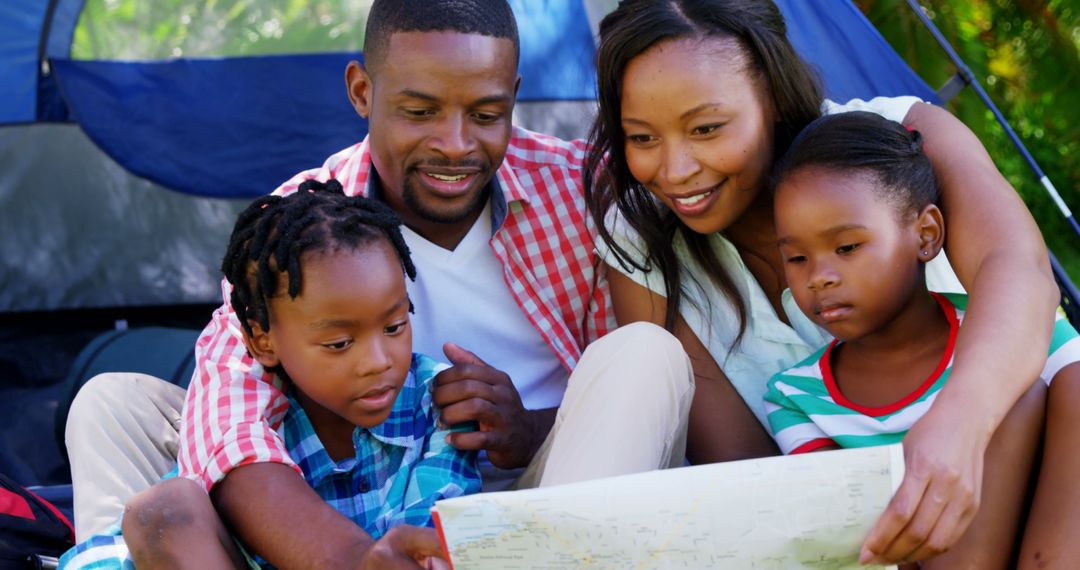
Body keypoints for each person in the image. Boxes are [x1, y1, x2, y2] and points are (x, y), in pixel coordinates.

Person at [64, 0, 694, 567]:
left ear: (514, 94)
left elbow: (641, 404)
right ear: (362, 91)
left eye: (485, 114)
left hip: (544, 490)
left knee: (648, 353)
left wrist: (528, 430)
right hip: (341, 511)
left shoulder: (584, 190)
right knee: (114, 406)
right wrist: (357, 559)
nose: (455, 145)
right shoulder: (302, 224)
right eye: (419, 111)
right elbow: (229, 421)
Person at [584, 0, 1060, 565]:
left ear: (773, 95)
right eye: (642, 138)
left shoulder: (900, 136)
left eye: (707, 128)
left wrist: (960, 423)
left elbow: (1019, 270)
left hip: (1044, 463)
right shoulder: (643, 241)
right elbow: (749, 475)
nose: (676, 169)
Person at [61, 181, 482, 568]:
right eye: (339, 344)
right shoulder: (254, 419)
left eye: (394, 327)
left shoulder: (438, 404)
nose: (378, 360)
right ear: (262, 342)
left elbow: (430, 538)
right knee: (163, 509)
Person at [763, 111, 1080, 568]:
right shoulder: (796, 398)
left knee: (1040, 389)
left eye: (847, 248)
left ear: (926, 235)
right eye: (796, 257)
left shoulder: (1012, 335)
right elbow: (853, 547)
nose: (819, 277)